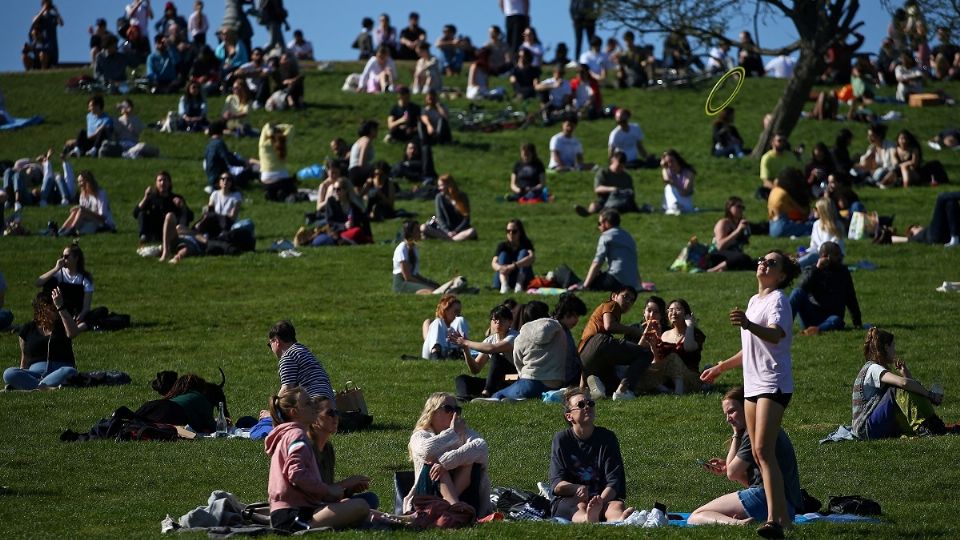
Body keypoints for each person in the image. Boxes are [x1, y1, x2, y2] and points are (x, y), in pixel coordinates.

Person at [700, 250, 802, 538]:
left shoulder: (778, 300)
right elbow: (752, 348)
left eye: (772, 263)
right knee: (759, 453)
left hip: (773, 384)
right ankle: (782, 519)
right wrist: (721, 367)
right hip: (754, 385)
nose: (763, 263)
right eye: (762, 259)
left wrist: (748, 324)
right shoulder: (754, 301)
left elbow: (775, 335)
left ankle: (775, 519)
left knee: (763, 452)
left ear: (781, 275)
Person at [688, 386, 804, 529]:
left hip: (765, 499)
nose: (728, 419)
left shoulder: (754, 432)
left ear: (746, 406)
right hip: (787, 508)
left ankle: (739, 524)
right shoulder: (767, 427)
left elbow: (732, 473)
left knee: (696, 516)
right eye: (726, 414)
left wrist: (736, 435)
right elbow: (748, 478)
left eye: (732, 411)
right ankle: (743, 520)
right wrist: (729, 468)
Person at [265, 387, 371, 531]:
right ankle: (305, 527)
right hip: (292, 515)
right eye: (308, 404)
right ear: (294, 412)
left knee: (361, 504)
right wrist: (328, 490)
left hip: (292, 511)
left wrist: (340, 491)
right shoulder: (297, 435)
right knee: (361, 506)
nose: (313, 408)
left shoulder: (292, 434)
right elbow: (296, 473)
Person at [549, 387, 634, 523]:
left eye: (590, 403)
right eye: (581, 405)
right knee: (578, 506)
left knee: (616, 505)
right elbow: (557, 485)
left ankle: (618, 520)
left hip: (603, 498)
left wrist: (600, 501)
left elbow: (614, 482)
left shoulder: (607, 438)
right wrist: (576, 488)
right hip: (572, 499)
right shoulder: (562, 439)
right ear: (569, 416)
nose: (587, 407)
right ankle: (587, 518)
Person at [852, 328, 948, 439]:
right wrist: (930, 395)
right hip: (865, 429)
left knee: (904, 387)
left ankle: (933, 423)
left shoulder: (876, 368)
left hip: (872, 425)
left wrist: (906, 374)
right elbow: (903, 384)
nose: (895, 351)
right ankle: (923, 427)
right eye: (893, 347)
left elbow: (908, 386)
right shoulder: (873, 368)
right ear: (886, 347)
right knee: (896, 389)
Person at [404, 392, 490, 515]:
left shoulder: (463, 432)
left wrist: (445, 463)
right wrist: (452, 432)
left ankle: (451, 505)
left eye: (457, 410)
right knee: (432, 461)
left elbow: (481, 447)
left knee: (469, 458)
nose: (454, 414)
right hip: (429, 498)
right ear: (432, 412)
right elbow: (426, 451)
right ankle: (454, 505)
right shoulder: (420, 435)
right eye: (448, 409)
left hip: (464, 496)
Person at [578, 286, 653, 400]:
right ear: (614, 296)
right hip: (598, 343)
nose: (628, 301)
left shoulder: (605, 313)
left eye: (632, 300)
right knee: (646, 353)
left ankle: (596, 389)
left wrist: (581, 387)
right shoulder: (612, 304)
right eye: (625, 296)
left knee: (612, 386)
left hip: (584, 357)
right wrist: (633, 330)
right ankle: (624, 390)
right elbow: (609, 326)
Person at [486, 301, 566, 400]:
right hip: (557, 383)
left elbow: (518, 361)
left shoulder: (522, 334)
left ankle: (517, 397)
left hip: (531, 382)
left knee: (497, 396)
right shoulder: (559, 329)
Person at [3, 290, 80, 391]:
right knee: (9, 373)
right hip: (35, 373)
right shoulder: (28, 329)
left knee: (70, 371)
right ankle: (45, 387)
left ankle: (32, 387)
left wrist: (61, 307)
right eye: (53, 309)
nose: (56, 312)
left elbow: (73, 333)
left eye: (57, 309)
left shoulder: (64, 324)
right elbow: (24, 358)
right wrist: (21, 374)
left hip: (59, 370)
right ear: (42, 310)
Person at [790, 241, 862, 336]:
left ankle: (816, 330)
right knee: (797, 292)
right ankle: (782, 325)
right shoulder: (812, 270)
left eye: (840, 254)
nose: (840, 257)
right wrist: (817, 269)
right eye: (836, 255)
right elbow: (801, 289)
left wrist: (857, 323)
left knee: (836, 320)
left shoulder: (843, 272)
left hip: (831, 318)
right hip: (811, 316)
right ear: (824, 256)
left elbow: (851, 298)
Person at [635, 299, 705, 395]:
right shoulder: (664, 334)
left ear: (686, 314)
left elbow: (688, 347)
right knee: (644, 367)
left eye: (678, 309)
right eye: (670, 310)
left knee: (673, 358)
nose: (673, 313)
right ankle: (664, 390)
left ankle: (678, 392)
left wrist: (690, 327)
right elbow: (658, 361)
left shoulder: (694, 333)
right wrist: (653, 346)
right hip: (668, 378)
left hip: (690, 378)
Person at [452, 304, 518, 399]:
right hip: (497, 381)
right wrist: (465, 350)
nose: (498, 323)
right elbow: (475, 369)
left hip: (514, 379)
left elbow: (492, 348)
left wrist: (466, 342)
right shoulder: (490, 340)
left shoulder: (514, 336)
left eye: (502, 320)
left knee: (496, 357)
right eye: (495, 320)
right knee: (462, 379)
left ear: (510, 322)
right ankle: (464, 398)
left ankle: (486, 393)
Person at [268, 320, 334, 400]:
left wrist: (273, 410)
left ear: (277, 341)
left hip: (312, 402)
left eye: (270, 344)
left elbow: (287, 389)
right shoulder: (303, 350)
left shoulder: (288, 356)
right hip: (329, 401)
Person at [36, 243, 93, 329]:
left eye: (66, 257)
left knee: (101, 311)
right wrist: (56, 269)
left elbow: (86, 307)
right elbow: (38, 282)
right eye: (62, 256)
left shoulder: (84, 279)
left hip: (73, 312)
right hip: (59, 309)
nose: (63, 259)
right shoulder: (60, 274)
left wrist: (81, 315)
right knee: (49, 283)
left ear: (76, 258)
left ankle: (78, 326)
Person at [582, 209, 639, 292]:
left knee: (591, 282)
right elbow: (632, 262)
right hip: (632, 283)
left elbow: (597, 263)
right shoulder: (628, 236)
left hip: (616, 280)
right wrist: (639, 285)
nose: (598, 227)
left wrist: (585, 286)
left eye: (599, 223)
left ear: (606, 222)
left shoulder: (606, 236)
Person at [133, 170, 192, 245]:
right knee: (142, 214)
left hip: (172, 230)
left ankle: (181, 236)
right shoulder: (151, 198)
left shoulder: (176, 198)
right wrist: (145, 198)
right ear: (156, 183)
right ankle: (144, 237)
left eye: (165, 180)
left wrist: (182, 206)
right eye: (160, 180)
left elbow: (190, 216)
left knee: (183, 214)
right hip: (155, 230)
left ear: (169, 183)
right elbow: (135, 213)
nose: (162, 183)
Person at [574, 151, 640, 216]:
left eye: (621, 166)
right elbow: (597, 188)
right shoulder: (603, 173)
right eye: (618, 165)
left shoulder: (627, 177)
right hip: (605, 198)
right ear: (612, 161)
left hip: (622, 200)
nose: (619, 168)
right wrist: (612, 189)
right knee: (594, 205)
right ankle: (588, 212)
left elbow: (631, 193)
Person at [58, 171, 115, 236]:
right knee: (76, 211)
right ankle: (61, 230)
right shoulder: (83, 195)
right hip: (91, 221)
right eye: (78, 182)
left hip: (104, 224)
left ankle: (71, 229)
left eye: (81, 181)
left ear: (88, 181)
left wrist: (84, 210)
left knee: (81, 210)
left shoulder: (100, 194)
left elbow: (103, 217)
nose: (79, 184)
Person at [422, 175, 477, 241]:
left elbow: (466, 219)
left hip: (459, 230)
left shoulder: (462, 197)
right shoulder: (439, 197)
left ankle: (449, 238)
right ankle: (452, 238)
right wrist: (447, 231)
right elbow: (440, 217)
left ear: (449, 185)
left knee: (472, 231)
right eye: (439, 186)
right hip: (444, 230)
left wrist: (456, 231)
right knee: (423, 227)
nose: (439, 188)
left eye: (441, 185)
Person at [708, 197, 754, 272]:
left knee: (754, 262)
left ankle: (725, 267)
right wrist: (737, 231)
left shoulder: (738, 223)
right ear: (729, 207)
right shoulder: (724, 223)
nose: (741, 209)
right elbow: (720, 246)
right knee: (743, 258)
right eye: (738, 206)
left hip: (733, 255)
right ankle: (713, 270)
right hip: (718, 254)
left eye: (743, 207)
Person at [552, 293, 589, 387]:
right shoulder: (555, 330)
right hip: (565, 378)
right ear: (566, 313)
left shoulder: (564, 329)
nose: (577, 320)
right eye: (575, 316)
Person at [392, 220, 439, 294]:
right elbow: (407, 277)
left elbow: (414, 273)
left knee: (437, 287)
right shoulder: (402, 249)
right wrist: (424, 284)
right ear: (410, 233)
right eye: (417, 230)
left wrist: (428, 282)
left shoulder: (414, 248)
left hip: (413, 278)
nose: (420, 232)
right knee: (431, 291)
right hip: (402, 282)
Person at [799, 198, 845, 268]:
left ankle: (795, 266)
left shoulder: (837, 226)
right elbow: (813, 246)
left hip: (832, 257)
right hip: (818, 255)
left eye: (816, 208)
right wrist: (805, 252)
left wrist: (817, 253)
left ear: (822, 211)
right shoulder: (816, 224)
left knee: (812, 256)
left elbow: (834, 248)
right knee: (807, 255)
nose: (813, 210)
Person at [492, 219, 535, 293]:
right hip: (506, 275)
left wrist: (514, 266)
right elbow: (494, 262)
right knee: (503, 255)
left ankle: (519, 284)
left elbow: (531, 258)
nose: (511, 234)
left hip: (522, 275)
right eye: (508, 231)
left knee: (523, 253)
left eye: (514, 231)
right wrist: (501, 268)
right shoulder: (502, 246)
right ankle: (504, 285)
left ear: (520, 232)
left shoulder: (526, 244)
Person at [767, 168, 812, 238]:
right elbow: (803, 211)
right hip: (782, 227)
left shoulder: (774, 190)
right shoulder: (784, 194)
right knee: (811, 226)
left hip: (771, 227)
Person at [193, 173, 241, 237]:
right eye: (223, 179)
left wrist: (216, 216)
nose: (225, 181)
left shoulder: (236, 196)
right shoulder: (215, 194)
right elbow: (210, 210)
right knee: (208, 216)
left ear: (231, 182)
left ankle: (200, 230)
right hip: (215, 221)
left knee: (211, 217)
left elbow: (233, 216)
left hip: (227, 222)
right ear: (219, 181)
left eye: (228, 179)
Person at [422, 295, 469, 360]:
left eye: (459, 312)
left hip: (452, 352)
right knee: (438, 321)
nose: (458, 314)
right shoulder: (431, 322)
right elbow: (428, 340)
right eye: (455, 311)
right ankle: (436, 354)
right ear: (446, 310)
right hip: (432, 353)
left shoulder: (458, 322)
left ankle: (461, 352)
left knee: (461, 319)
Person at [259, 122, 296, 201]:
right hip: (282, 178)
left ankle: (271, 193)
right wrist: (279, 127)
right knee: (291, 183)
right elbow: (291, 127)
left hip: (266, 180)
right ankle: (281, 193)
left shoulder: (263, 145)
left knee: (271, 187)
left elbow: (265, 127)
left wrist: (270, 129)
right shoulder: (284, 141)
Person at [660, 149, 696, 215]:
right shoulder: (667, 170)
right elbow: (666, 180)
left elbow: (685, 192)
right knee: (668, 186)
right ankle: (672, 207)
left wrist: (674, 184)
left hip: (684, 203)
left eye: (672, 161)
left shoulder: (688, 172)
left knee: (671, 186)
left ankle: (676, 207)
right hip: (672, 202)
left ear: (677, 160)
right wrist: (664, 166)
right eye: (667, 162)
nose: (670, 164)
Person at [32, 0, 64, 66]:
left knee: (44, 54)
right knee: (41, 54)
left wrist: (57, 11)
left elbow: (61, 23)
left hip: (52, 45)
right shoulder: (39, 16)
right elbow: (34, 22)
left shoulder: (53, 16)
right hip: (42, 45)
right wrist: (43, 10)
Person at [348, 120, 377, 189]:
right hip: (358, 171)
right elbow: (362, 161)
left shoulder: (360, 140)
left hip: (352, 171)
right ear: (371, 130)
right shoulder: (366, 140)